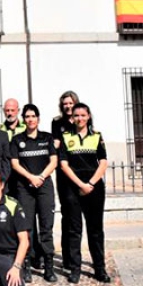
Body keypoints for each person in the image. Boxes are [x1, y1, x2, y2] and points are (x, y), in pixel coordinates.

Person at [58, 102, 110, 284]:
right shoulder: (65, 137)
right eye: (76, 115)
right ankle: (75, 269)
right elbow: (63, 165)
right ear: (72, 118)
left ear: (88, 116)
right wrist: (80, 184)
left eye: (83, 115)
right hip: (72, 188)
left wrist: (90, 183)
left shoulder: (97, 136)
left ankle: (100, 269)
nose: (79, 118)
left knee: (95, 230)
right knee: (74, 230)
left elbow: (103, 162)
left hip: (94, 189)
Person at [10, 103, 58, 282]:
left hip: (44, 187)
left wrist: (41, 177)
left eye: (33, 116)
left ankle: (48, 266)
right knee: (27, 227)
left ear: (38, 119)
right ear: (24, 119)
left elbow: (53, 161)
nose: (30, 119)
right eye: (27, 116)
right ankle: (27, 265)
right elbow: (15, 164)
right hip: (25, 188)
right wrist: (31, 177)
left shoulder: (47, 138)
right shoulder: (17, 140)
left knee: (46, 227)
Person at [52, 90, 78, 271]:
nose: (68, 106)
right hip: (63, 172)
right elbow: (56, 144)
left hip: (80, 170)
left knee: (78, 219)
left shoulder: (81, 119)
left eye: (71, 103)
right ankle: (68, 258)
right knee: (67, 215)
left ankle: (77, 256)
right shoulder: (57, 122)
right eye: (65, 104)